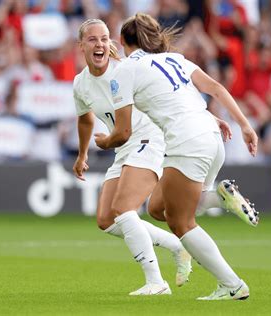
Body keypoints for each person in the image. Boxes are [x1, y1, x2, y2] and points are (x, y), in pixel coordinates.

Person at [94, 13, 259, 300]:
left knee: (181, 224)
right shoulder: (175, 59)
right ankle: (220, 198)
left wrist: (105, 142)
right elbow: (216, 88)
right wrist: (244, 125)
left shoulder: (125, 71)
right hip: (212, 134)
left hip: (186, 142)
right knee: (158, 209)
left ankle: (232, 285)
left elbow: (122, 132)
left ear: (122, 41)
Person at [72, 18, 191, 296]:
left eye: (104, 38)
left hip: (147, 137)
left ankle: (156, 282)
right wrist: (82, 154)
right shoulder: (81, 84)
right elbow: (85, 120)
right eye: (92, 39)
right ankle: (177, 246)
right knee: (106, 219)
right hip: (123, 145)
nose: (99, 44)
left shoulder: (125, 69)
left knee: (124, 210)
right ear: (81, 46)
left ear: (110, 43)